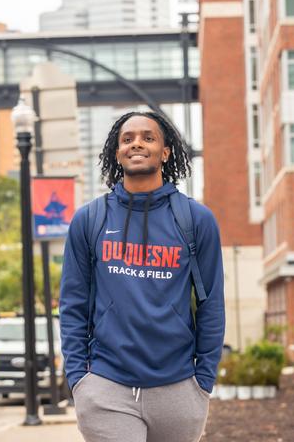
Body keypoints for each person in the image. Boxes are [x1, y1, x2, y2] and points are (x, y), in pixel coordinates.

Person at [60, 111, 225, 442]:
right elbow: (72, 305)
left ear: (165, 152)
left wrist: (202, 381)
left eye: (148, 137)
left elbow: (211, 305)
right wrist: (80, 378)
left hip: (179, 388)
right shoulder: (89, 220)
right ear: (117, 152)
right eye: (127, 138)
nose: (137, 143)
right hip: (107, 386)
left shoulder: (195, 220)